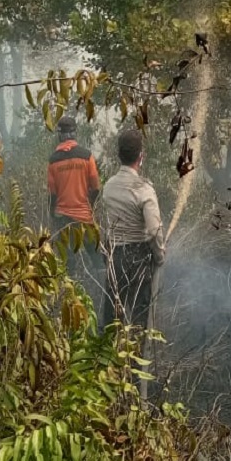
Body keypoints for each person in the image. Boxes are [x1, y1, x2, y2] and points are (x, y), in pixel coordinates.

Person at [99, 128, 166, 334]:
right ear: (141, 156)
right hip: (138, 258)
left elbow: (104, 224)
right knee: (139, 318)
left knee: (112, 316)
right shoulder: (143, 189)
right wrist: (160, 255)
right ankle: (135, 360)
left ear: (119, 155)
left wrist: (107, 253)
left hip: (115, 255)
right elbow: (154, 230)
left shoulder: (108, 186)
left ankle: (108, 357)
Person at [47, 115, 105, 310]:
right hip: (85, 219)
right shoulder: (87, 156)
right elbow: (96, 188)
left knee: (68, 264)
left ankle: (69, 306)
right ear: (74, 133)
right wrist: (89, 205)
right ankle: (103, 299)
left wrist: (52, 216)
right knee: (98, 260)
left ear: (60, 135)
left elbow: (52, 195)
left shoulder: (53, 161)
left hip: (64, 220)